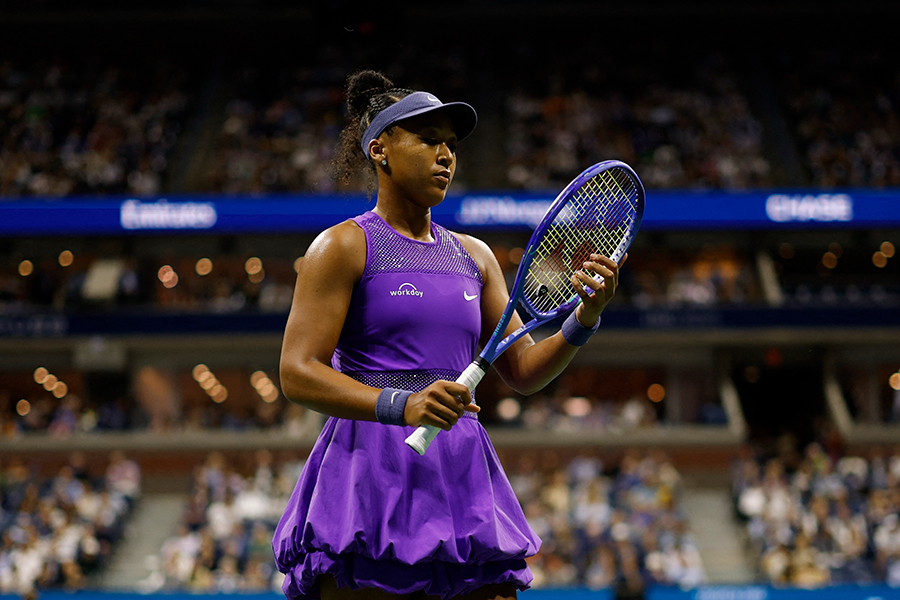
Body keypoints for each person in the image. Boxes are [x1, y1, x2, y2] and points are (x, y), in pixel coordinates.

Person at [272, 70, 626, 600]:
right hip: (371, 469)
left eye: (452, 145)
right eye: (428, 139)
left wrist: (585, 318)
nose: (446, 155)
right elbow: (297, 374)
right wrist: (403, 405)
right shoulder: (342, 246)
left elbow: (524, 372)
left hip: (462, 469)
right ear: (380, 149)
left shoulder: (475, 256)